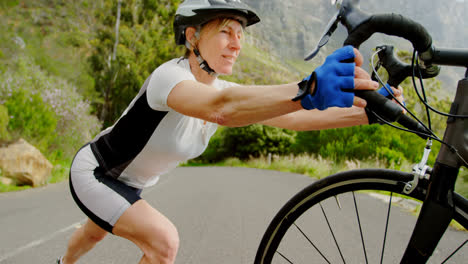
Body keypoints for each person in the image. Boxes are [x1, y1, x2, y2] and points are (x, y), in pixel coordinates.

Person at [57, 0, 403, 263]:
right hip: (97, 172)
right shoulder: (170, 78)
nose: (237, 44)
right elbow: (221, 107)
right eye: (226, 31)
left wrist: (366, 115)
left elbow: (294, 118)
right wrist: (307, 87)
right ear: (192, 36)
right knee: (163, 242)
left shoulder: (223, 87)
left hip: (131, 183)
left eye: (240, 34)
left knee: (92, 235)